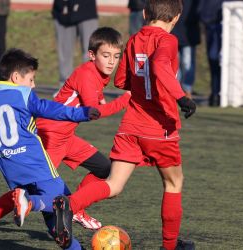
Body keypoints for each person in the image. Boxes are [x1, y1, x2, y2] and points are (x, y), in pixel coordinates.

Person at [52, 0, 197, 249]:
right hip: (159, 126)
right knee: (174, 182)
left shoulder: (133, 40)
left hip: (130, 124)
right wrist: (181, 97)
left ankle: (70, 205)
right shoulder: (168, 40)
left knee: (113, 184)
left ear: (143, 13)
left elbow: (121, 80)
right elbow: (161, 66)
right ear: (176, 17)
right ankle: (170, 245)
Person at [0, 27, 130, 233]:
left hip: (66, 136)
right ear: (91, 55)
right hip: (52, 136)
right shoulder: (87, 74)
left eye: (116, 56)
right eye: (106, 56)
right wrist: (125, 100)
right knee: (29, 187)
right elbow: (93, 111)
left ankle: (75, 207)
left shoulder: (96, 74)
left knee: (105, 169)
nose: (111, 61)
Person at [0, 48, 101, 249]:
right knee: (63, 202)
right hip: (36, 164)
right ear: (16, 77)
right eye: (31, 79)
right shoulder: (24, 96)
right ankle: (29, 202)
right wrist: (83, 113)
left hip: (10, 167)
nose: (33, 85)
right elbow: (51, 109)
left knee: (58, 221)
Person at [52, 0, 98, 89]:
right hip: (62, 11)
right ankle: (65, 89)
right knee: (65, 53)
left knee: (90, 52)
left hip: (86, 10)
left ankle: (89, 88)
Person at [171, 0, 201, 99]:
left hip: (188, 34)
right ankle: (175, 90)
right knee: (174, 65)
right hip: (173, 33)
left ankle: (186, 89)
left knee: (187, 63)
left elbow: (199, 10)